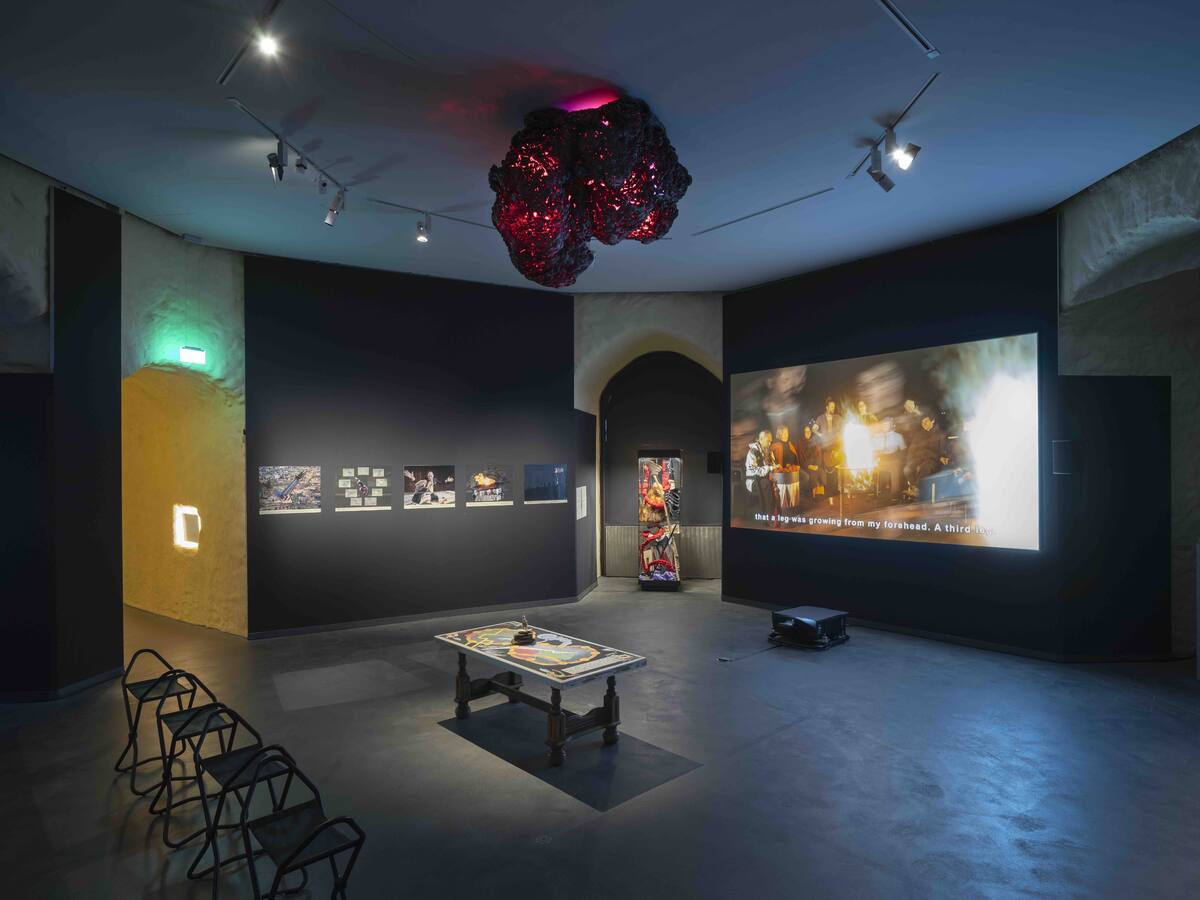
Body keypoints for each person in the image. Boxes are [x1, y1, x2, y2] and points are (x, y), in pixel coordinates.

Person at [903, 416, 949, 497]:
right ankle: (914, 487)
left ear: (932, 421)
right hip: (919, 458)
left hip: (933, 459)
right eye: (922, 422)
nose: (924, 424)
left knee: (925, 468)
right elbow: (912, 449)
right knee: (907, 469)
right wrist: (909, 460)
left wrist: (943, 456)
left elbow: (943, 449)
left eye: (926, 421)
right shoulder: (919, 435)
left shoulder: (939, 434)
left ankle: (917, 489)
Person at [743, 430, 777, 520]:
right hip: (754, 480)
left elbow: (773, 464)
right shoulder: (753, 452)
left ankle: (778, 511)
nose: (770, 443)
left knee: (779, 481)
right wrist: (769, 468)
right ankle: (768, 516)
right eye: (768, 441)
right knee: (766, 483)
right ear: (761, 439)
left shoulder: (769, 451)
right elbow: (755, 470)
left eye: (771, 441)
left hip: (766, 478)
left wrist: (775, 468)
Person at [873, 417, 907, 500]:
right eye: (884, 424)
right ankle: (879, 493)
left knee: (895, 472)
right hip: (881, 460)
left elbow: (903, 450)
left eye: (887, 424)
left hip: (893, 459)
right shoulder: (876, 436)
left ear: (891, 425)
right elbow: (873, 450)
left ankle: (895, 496)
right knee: (876, 472)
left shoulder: (897, 436)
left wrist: (900, 461)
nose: (885, 426)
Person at [797, 424, 823, 499]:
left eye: (809, 431)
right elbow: (800, 459)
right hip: (805, 465)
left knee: (821, 471)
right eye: (806, 432)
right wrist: (809, 466)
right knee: (812, 474)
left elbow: (818, 454)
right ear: (803, 433)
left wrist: (817, 465)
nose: (808, 433)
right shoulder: (800, 443)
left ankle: (819, 494)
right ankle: (811, 495)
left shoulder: (814, 442)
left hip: (814, 464)